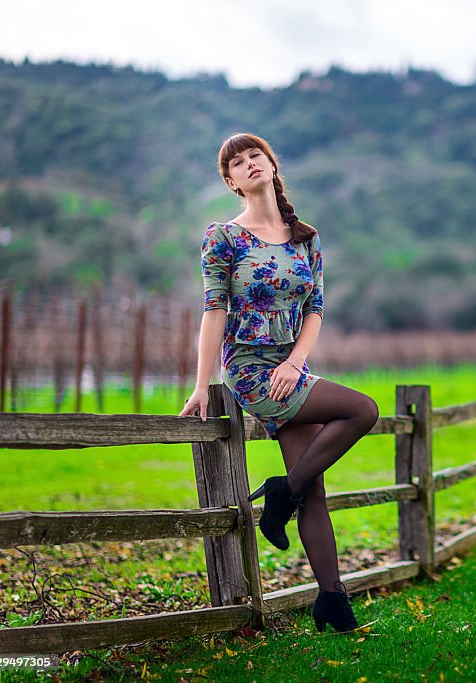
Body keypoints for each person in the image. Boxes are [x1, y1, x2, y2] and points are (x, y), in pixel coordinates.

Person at [179, 132, 379, 633]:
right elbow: (213, 312)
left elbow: (315, 310)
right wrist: (202, 384)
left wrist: (295, 363)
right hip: (250, 368)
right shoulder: (223, 238)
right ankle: (280, 491)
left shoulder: (306, 237)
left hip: (292, 368)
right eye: (237, 163)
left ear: (270, 164)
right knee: (362, 409)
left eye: (255, 156)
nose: (249, 164)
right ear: (230, 182)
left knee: (315, 489)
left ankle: (333, 603)